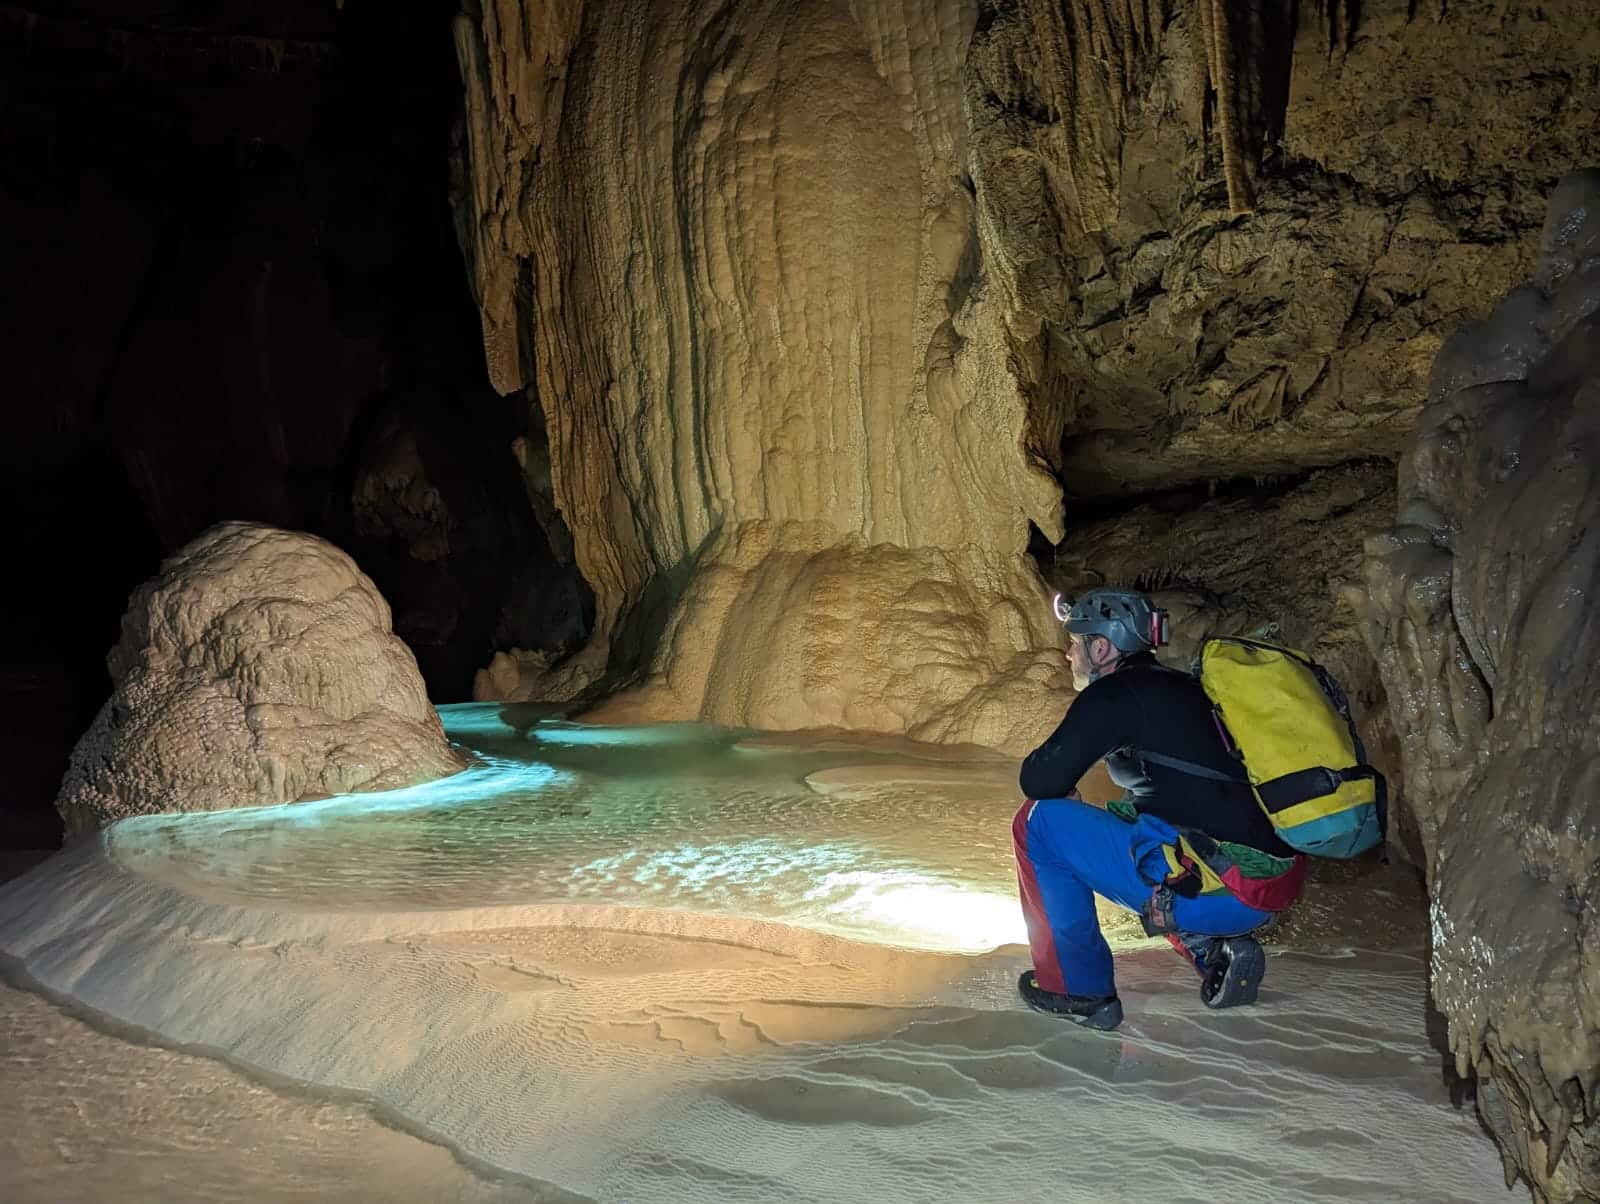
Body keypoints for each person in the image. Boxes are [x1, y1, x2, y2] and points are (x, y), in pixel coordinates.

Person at [1012, 588, 1306, 1030]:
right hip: (1271, 883)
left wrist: (1063, 791)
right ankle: (1211, 951)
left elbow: (1037, 779)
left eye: (1075, 641)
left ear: (1102, 647)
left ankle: (1076, 990)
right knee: (1131, 826)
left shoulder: (1114, 694)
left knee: (1038, 824)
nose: (1067, 652)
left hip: (1221, 887)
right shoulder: (1191, 690)